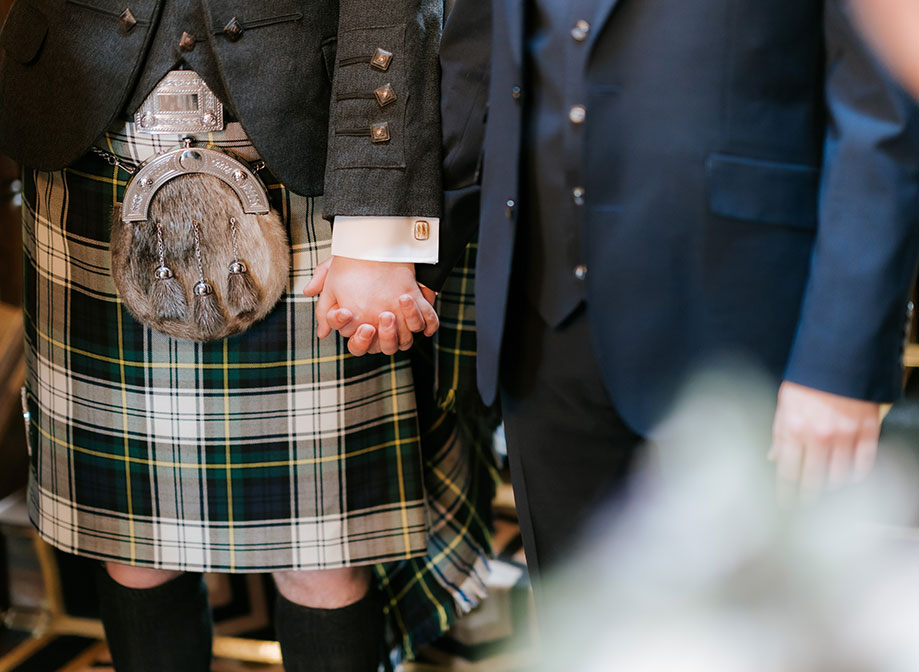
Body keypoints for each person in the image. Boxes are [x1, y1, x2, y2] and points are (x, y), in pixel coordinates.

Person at [314, 0, 919, 591]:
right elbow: (477, 61)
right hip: (543, 330)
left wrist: (840, 360)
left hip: (749, 338)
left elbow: (881, 108)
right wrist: (391, 247)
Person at [0, 1, 493, 670]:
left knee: (323, 551)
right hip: (89, 149)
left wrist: (378, 225)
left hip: (311, 156)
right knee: (132, 543)